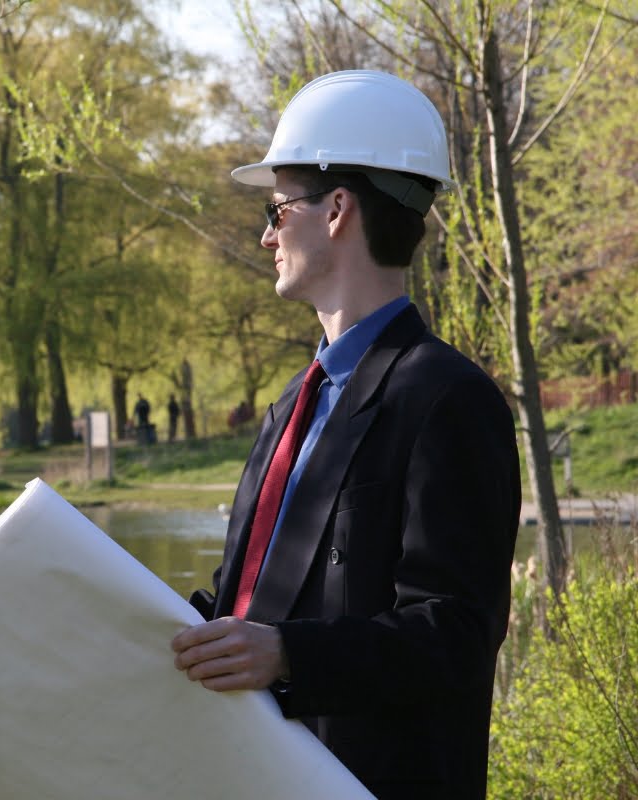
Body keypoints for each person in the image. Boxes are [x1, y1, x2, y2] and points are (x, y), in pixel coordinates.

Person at [170, 70, 520, 800]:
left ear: (336, 209)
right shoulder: (288, 409)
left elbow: (455, 633)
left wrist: (287, 654)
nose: (268, 234)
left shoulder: (449, 398)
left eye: (276, 209)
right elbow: (249, 606)